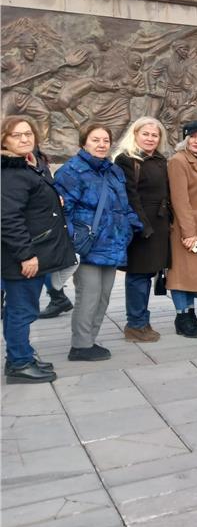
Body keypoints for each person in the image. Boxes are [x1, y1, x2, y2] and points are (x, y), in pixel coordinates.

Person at [55, 124, 142, 361]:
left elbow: (123, 206)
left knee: (103, 295)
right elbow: (64, 212)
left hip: (112, 243)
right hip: (87, 245)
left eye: (105, 140)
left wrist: (133, 227)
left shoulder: (114, 171)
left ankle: (90, 340)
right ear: (84, 142)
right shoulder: (71, 171)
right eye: (96, 140)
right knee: (89, 294)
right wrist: (74, 238)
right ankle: (80, 346)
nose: (102, 144)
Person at [1, 116, 75, 383]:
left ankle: (21, 356)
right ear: (4, 140)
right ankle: (19, 363)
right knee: (22, 310)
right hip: (23, 257)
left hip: (37, 250)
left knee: (22, 309)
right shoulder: (10, 172)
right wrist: (25, 255)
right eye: (16, 135)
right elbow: (8, 218)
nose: (24, 139)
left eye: (28, 134)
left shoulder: (31, 164)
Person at [114, 117, 171, 343]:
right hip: (140, 227)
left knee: (147, 274)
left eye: (154, 135)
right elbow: (130, 196)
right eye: (145, 134)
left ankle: (142, 320)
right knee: (138, 275)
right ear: (135, 134)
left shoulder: (159, 159)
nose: (150, 138)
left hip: (159, 224)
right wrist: (143, 225)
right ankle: (135, 324)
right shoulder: (126, 160)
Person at [165, 120, 197, 338]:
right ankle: (181, 317)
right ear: (185, 139)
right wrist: (189, 233)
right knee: (181, 275)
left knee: (192, 275)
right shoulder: (178, 161)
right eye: (193, 137)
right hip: (186, 229)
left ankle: (191, 315)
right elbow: (180, 201)